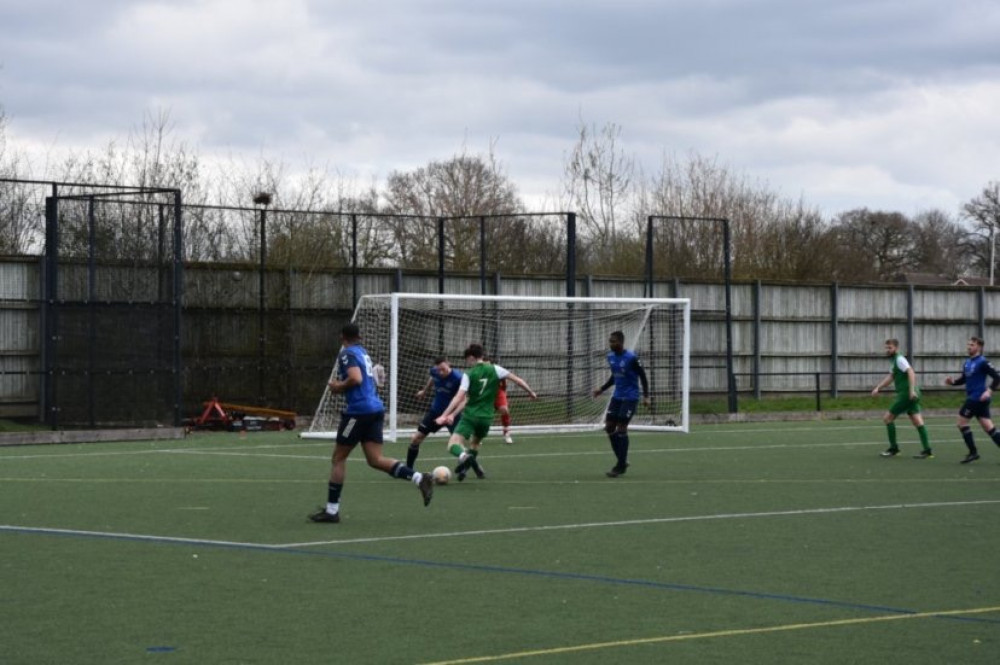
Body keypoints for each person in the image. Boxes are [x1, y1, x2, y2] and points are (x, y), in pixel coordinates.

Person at [309, 323, 434, 523]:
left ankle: (332, 511)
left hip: (359, 412)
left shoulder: (347, 353)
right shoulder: (362, 352)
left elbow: (356, 379)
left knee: (338, 459)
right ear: (359, 336)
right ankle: (419, 478)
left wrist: (338, 386)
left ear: (342, 336)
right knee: (375, 459)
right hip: (375, 409)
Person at [435, 343, 537, 481]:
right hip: (487, 418)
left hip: (470, 415)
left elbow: (459, 397)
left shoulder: (469, 374)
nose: (468, 363)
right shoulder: (495, 369)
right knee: (475, 444)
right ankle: (466, 468)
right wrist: (530, 392)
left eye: (467, 360)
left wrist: (444, 415)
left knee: (452, 444)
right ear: (482, 355)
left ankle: (464, 457)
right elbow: (518, 380)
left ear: (471, 358)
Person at [593, 330, 650, 477]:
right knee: (609, 427)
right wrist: (602, 388)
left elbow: (643, 376)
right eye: (610, 341)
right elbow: (614, 376)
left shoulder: (631, 358)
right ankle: (622, 461)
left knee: (621, 427)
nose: (611, 344)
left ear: (621, 342)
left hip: (630, 397)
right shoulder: (610, 357)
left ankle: (620, 465)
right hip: (617, 396)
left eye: (613, 341)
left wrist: (646, 396)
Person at [871, 338, 932, 458]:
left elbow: (911, 372)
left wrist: (911, 391)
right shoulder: (894, 361)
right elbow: (891, 377)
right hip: (911, 394)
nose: (888, 350)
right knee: (917, 421)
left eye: (890, 348)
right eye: (886, 348)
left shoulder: (899, 359)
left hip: (906, 395)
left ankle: (894, 449)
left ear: (896, 348)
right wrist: (878, 388)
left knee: (888, 418)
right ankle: (927, 450)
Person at [944, 335, 1000, 464]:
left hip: (977, 398)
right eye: (968, 345)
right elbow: (964, 379)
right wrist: (952, 382)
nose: (969, 347)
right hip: (976, 398)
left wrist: (989, 391)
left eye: (972, 345)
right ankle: (973, 453)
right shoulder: (968, 363)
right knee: (989, 428)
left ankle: (973, 453)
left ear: (979, 347)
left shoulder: (983, 362)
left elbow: (997, 378)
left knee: (961, 423)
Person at [407, 356, 464, 468]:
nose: (441, 372)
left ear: (449, 364)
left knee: (458, 444)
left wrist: (452, 415)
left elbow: (464, 399)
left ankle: (474, 468)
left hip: (452, 415)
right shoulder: (434, 371)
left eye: (443, 369)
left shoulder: (458, 378)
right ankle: (408, 468)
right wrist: (424, 391)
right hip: (435, 412)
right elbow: (432, 378)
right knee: (416, 438)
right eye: (439, 370)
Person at [484, 357, 514, 444]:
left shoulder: (498, 371)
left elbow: (504, 384)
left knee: (504, 410)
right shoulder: (479, 372)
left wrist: (503, 394)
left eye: (488, 364)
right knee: (482, 414)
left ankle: (507, 433)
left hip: (498, 393)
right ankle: (478, 435)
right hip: (485, 394)